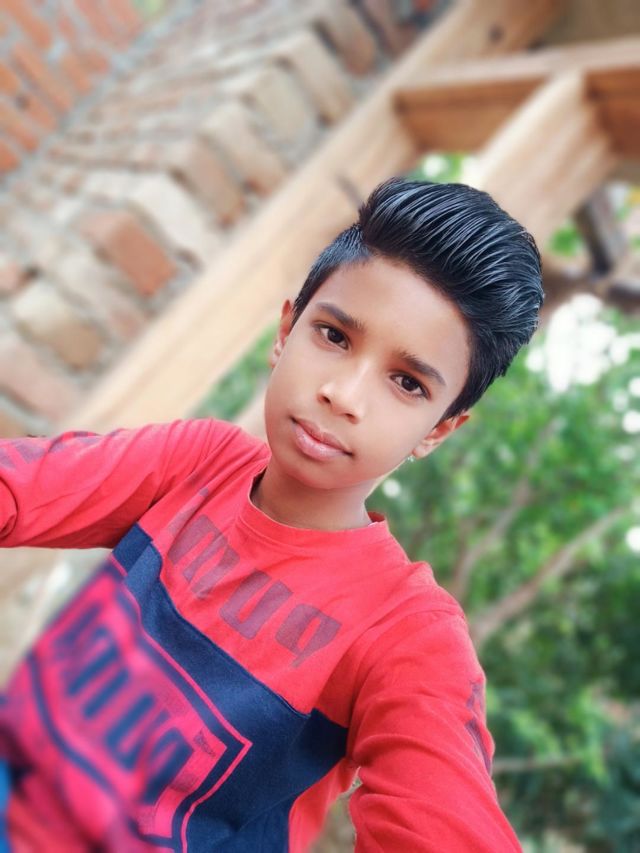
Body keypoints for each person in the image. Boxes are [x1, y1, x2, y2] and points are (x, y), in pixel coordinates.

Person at [0, 178, 542, 852]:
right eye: (334, 335)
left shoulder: (405, 633)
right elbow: (21, 483)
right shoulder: (193, 463)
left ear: (438, 429)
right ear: (286, 332)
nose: (342, 394)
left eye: (407, 382)